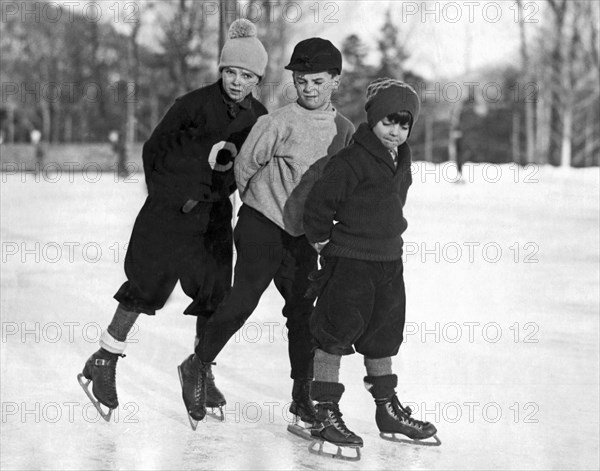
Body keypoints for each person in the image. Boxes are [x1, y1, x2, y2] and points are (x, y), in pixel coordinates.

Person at [77, 19, 268, 424]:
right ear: (221, 71)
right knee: (146, 287)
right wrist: (172, 198)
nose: (237, 82)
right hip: (169, 212)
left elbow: (250, 164)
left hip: (215, 214)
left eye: (246, 76)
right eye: (230, 72)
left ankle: (199, 369)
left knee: (213, 293)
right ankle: (104, 359)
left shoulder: (259, 116)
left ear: (257, 79)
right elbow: (154, 150)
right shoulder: (192, 104)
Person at [181, 38, 355, 428]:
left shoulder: (343, 131)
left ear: (336, 82)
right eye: (300, 80)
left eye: (317, 81)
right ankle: (197, 365)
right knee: (243, 300)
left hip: (303, 235)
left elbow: (338, 185)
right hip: (262, 223)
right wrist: (262, 203)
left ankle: (302, 398)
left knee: (302, 314)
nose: (307, 89)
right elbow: (244, 167)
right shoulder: (275, 122)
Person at [302, 78, 439, 457]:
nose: (395, 132)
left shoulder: (402, 160)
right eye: (387, 123)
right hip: (350, 262)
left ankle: (387, 409)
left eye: (403, 124)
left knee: (383, 333)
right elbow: (317, 206)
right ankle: (325, 411)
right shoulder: (350, 160)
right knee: (335, 332)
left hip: (388, 260)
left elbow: (395, 204)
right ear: (373, 120)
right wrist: (326, 244)